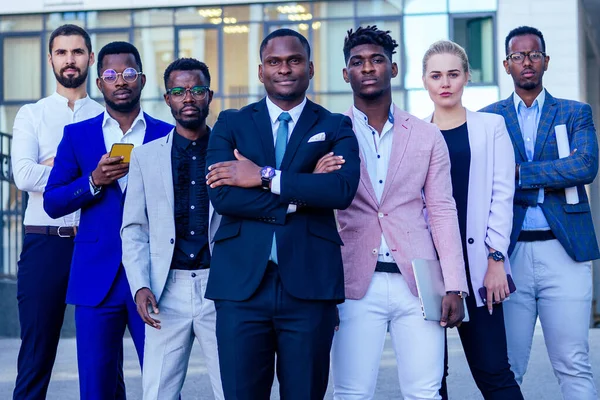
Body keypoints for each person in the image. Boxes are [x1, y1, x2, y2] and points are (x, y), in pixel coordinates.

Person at [204, 28, 360, 399]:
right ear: (261, 72)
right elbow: (224, 197)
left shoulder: (335, 125)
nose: (285, 69)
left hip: (309, 286)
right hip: (241, 288)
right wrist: (301, 192)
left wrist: (261, 176)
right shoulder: (230, 123)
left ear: (310, 68)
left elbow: (339, 191)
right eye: (274, 62)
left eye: (294, 61)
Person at [331, 26, 468, 400]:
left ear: (392, 68)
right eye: (357, 62)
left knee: (425, 391)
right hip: (353, 281)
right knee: (350, 392)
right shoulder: (330, 131)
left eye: (377, 60)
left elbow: (441, 210)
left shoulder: (426, 135)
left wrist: (454, 284)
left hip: (419, 282)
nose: (368, 68)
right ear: (346, 74)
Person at [43, 41, 172, 399]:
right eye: (111, 75)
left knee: (162, 383)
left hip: (155, 277)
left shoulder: (167, 134)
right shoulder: (78, 135)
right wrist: (93, 181)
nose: (121, 81)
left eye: (129, 73)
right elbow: (53, 202)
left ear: (142, 80)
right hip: (96, 280)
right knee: (96, 388)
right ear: (99, 83)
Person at [481, 26, 599, 400]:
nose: (526, 62)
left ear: (546, 61)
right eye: (518, 56)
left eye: (534, 55)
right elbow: (484, 179)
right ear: (506, 64)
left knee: (573, 361)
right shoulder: (488, 119)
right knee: (508, 366)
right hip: (508, 257)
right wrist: (550, 171)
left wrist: (517, 173)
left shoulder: (575, 112)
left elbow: (584, 166)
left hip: (564, 251)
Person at [422, 40, 524, 400]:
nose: (445, 82)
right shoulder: (415, 133)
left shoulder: (491, 126)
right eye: (436, 75)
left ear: (466, 76)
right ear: (425, 81)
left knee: (494, 371)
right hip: (431, 268)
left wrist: (496, 259)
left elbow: (503, 196)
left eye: (453, 73)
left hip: (481, 265)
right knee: (432, 378)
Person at [10, 24, 104, 400]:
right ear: (51, 59)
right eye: (62, 53)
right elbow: (22, 174)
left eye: (77, 52)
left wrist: (51, 170)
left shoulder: (106, 115)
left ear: (90, 58)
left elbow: (118, 177)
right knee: (35, 356)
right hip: (44, 243)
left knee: (104, 359)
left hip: (94, 244)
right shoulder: (31, 115)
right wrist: (82, 175)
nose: (70, 60)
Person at [121, 57, 224, 400]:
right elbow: (133, 228)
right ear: (167, 99)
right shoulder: (145, 157)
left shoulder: (232, 153)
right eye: (178, 91)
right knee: (157, 393)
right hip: (166, 291)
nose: (188, 98)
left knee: (234, 389)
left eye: (196, 90)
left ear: (209, 95)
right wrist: (140, 285)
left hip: (222, 287)